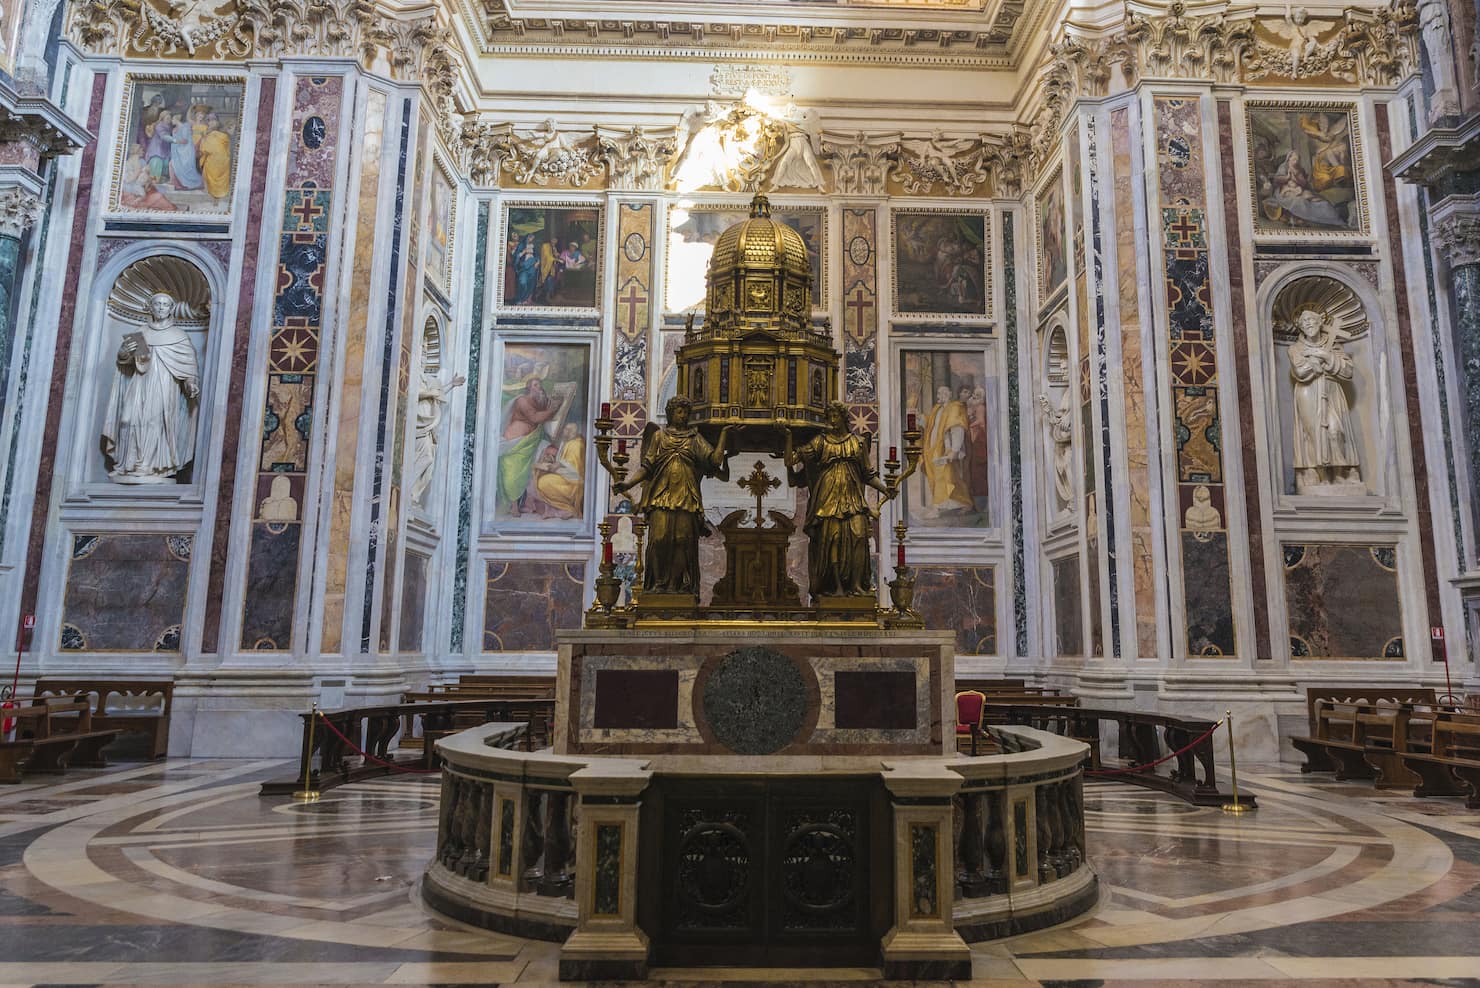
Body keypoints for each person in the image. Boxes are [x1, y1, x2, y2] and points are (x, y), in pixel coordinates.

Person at [613, 396, 732, 595]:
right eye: (679, 411)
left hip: (686, 496)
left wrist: (724, 435)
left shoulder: (695, 438)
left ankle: (679, 587)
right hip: (662, 495)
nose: (683, 415)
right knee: (659, 539)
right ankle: (659, 585)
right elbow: (646, 467)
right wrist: (628, 483)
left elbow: (714, 460)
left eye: (686, 412)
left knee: (683, 540)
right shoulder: (659, 437)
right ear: (670, 413)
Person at [784, 401, 894, 598]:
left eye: (836, 416)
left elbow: (868, 475)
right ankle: (834, 588)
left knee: (859, 537)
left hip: (853, 500)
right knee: (832, 540)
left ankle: (857, 585)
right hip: (828, 500)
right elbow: (790, 460)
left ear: (844, 417)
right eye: (830, 417)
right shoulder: (820, 442)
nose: (832, 420)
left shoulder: (858, 443)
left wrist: (885, 490)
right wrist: (788, 436)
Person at [101, 291, 200, 483]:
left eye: (165, 304)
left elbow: (188, 366)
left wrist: (191, 384)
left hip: (164, 385)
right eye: (157, 304)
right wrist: (124, 353)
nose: (161, 308)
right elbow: (126, 362)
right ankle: (128, 464)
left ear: (171, 309)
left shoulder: (179, 336)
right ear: (150, 307)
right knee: (127, 419)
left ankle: (150, 466)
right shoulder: (141, 332)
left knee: (155, 422)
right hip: (140, 382)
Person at [1289, 307, 1361, 492]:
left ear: (1321, 323)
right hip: (1308, 391)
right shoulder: (1296, 348)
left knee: (1335, 430)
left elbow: (1348, 371)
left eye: (1312, 321)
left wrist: (1326, 356)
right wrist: (1313, 366)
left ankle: (1339, 473)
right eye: (1305, 323)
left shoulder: (1334, 346)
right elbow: (1299, 372)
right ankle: (1319, 475)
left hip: (1331, 390)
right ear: (1300, 327)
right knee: (1314, 433)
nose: (1309, 325)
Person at [497, 374, 569, 514]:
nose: (539, 387)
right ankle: (514, 506)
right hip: (515, 444)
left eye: (540, 384)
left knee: (549, 455)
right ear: (528, 388)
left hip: (532, 440)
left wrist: (554, 407)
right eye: (535, 385)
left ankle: (539, 502)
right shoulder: (522, 401)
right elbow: (534, 417)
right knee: (513, 472)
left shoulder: (540, 401)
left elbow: (546, 414)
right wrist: (552, 409)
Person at [922, 384, 973, 515]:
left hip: (945, 449)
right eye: (939, 393)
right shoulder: (937, 409)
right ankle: (966, 502)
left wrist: (955, 450)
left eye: (944, 393)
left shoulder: (954, 408)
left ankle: (936, 508)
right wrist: (919, 418)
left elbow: (957, 428)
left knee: (942, 477)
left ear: (950, 394)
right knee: (951, 478)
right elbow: (930, 425)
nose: (940, 396)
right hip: (933, 447)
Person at [533, 422, 586, 517]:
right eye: (564, 429)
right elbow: (561, 460)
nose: (563, 431)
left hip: (572, 485)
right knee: (539, 475)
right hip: (565, 478)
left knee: (543, 482)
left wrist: (554, 467)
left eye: (566, 430)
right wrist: (552, 461)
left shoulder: (576, 445)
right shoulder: (567, 441)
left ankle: (566, 509)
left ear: (572, 433)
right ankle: (552, 509)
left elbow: (575, 474)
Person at [118, 143, 177, 211]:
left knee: (160, 196)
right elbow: (128, 180)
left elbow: (148, 175)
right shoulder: (127, 164)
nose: (143, 152)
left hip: (146, 186)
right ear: (136, 151)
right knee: (151, 197)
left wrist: (150, 179)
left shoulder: (142, 161)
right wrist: (138, 173)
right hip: (133, 188)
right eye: (141, 150)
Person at [197, 112, 233, 201]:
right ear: (208, 123)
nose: (212, 123)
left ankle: (219, 195)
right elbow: (204, 148)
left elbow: (226, 146)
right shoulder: (207, 133)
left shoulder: (223, 134)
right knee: (207, 170)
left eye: (214, 121)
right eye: (210, 121)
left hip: (222, 161)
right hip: (211, 160)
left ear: (217, 122)